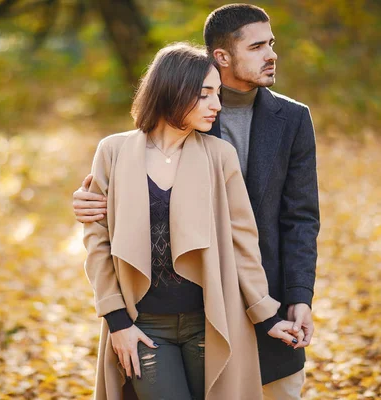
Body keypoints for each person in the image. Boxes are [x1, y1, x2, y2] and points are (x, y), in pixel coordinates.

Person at [74, 5, 320, 400]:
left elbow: (296, 220)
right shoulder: (127, 147)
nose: (272, 54)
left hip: (234, 305)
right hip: (151, 318)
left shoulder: (282, 123)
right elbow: (100, 234)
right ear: (220, 58)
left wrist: (290, 301)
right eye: (257, 46)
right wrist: (117, 319)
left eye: (270, 44)